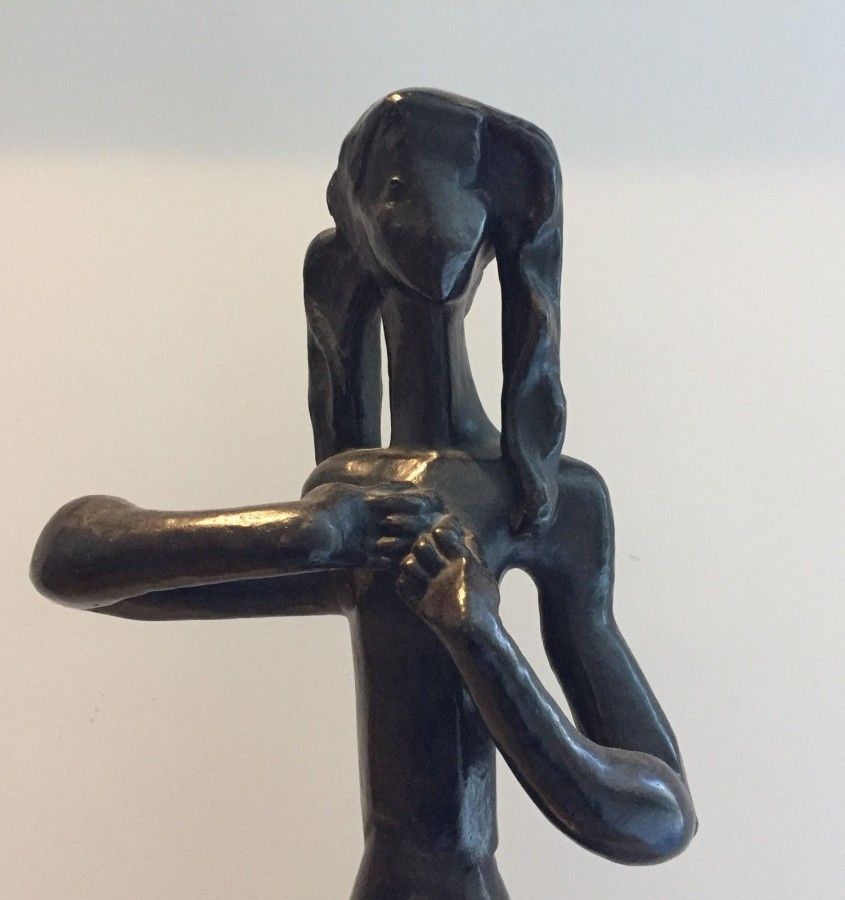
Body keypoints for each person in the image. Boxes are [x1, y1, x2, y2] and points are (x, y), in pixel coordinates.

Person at [31, 89, 696, 899]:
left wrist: (479, 637)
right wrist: (301, 536)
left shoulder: (547, 503)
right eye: (389, 184)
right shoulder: (352, 510)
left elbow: (655, 819)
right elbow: (74, 559)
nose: (409, 207)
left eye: (426, 178)